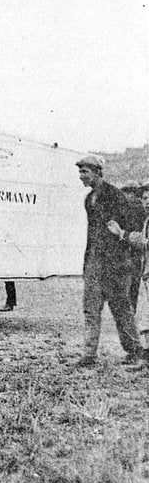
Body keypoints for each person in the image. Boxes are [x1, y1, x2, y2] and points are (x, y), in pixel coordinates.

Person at [79, 155, 142, 367]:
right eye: (80, 172)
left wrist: (120, 237)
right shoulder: (89, 199)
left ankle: (134, 350)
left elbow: (130, 228)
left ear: (97, 172)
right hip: (94, 263)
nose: (81, 177)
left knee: (121, 309)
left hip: (115, 265)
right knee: (90, 309)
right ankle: (89, 355)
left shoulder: (115, 195)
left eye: (85, 172)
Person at [120, 180, 145, 313]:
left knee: (129, 279)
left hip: (130, 246)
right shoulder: (141, 206)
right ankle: (130, 307)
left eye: (126, 192)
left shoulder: (131, 207)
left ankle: (129, 308)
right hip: (136, 248)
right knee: (133, 280)